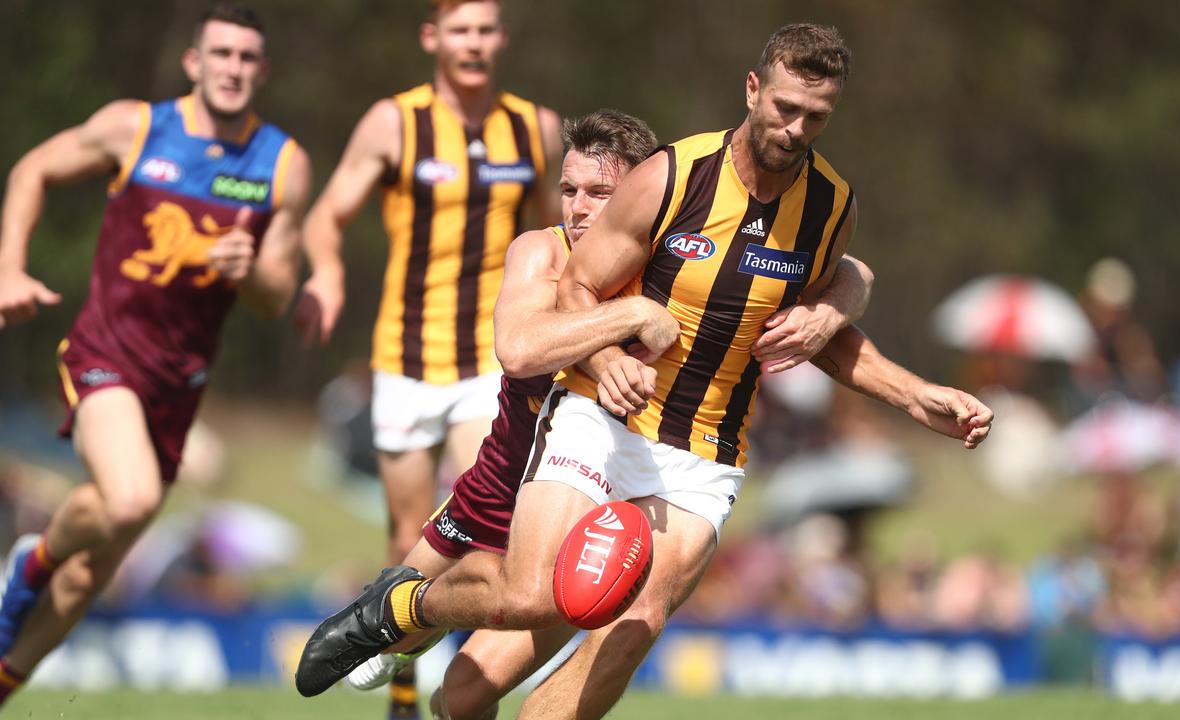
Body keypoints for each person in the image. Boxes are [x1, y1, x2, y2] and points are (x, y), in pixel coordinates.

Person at [297, 23, 990, 719]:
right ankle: (400, 607)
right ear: (753, 90)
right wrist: (605, 356)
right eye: (784, 107)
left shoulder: (831, 207)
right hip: (597, 420)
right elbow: (576, 293)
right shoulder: (671, 177)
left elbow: (814, 327)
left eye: (816, 116)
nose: (794, 128)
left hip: (703, 452)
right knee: (520, 610)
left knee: (638, 620)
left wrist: (914, 390)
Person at [0, 3, 309, 706]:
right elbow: (31, 171)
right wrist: (8, 268)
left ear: (261, 71)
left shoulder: (283, 165)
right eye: (221, 54)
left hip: (179, 389)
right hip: (105, 355)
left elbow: (274, 296)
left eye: (246, 58)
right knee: (131, 496)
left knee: (91, 574)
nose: (233, 69)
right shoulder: (136, 127)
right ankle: (33, 559)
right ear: (194, 62)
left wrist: (248, 268)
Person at [291, 2, 559, 712]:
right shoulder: (393, 122)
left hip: (488, 363)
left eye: (485, 29)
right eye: (459, 30)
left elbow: (550, 237)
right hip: (405, 361)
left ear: (501, 39)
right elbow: (327, 215)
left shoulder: (535, 127)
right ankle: (403, 696)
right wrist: (327, 270)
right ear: (432, 38)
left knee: (485, 530)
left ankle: (468, 691)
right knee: (410, 540)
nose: (473, 43)